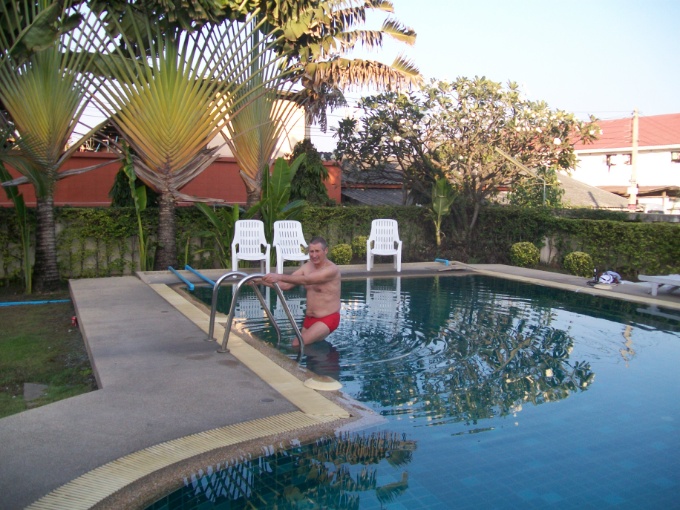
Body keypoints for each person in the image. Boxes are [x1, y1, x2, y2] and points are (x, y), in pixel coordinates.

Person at [261, 236, 341, 347]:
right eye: (311, 251)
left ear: (325, 250)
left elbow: (307, 280)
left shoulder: (331, 270)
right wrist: (257, 281)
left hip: (328, 318)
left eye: (317, 251)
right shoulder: (307, 266)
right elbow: (285, 285)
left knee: (297, 344)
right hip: (309, 319)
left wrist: (277, 276)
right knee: (309, 350)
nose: (313, 255)